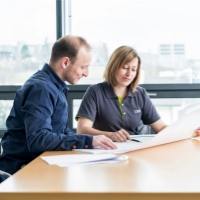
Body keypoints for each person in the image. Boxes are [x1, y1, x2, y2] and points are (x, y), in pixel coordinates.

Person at [0, 35, 116, 177]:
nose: (86, 73)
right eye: (83, 67)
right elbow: (38, 139)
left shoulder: (54, 86)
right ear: (66, 62)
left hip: (40, 165)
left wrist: (90, 142)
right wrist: (87, 140)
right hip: (21, 173)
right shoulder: (41, 88)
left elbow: (58, 130)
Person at [75, 45, 168, 142]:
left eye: (133, 69)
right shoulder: (95, 91)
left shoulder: (140, 93)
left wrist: (179, 132)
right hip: (106, 149)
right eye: (125, 67)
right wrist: (110, 135)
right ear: (113, 66)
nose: (129, 73)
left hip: (135, 148)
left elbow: (160, 127)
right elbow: (82, 130)